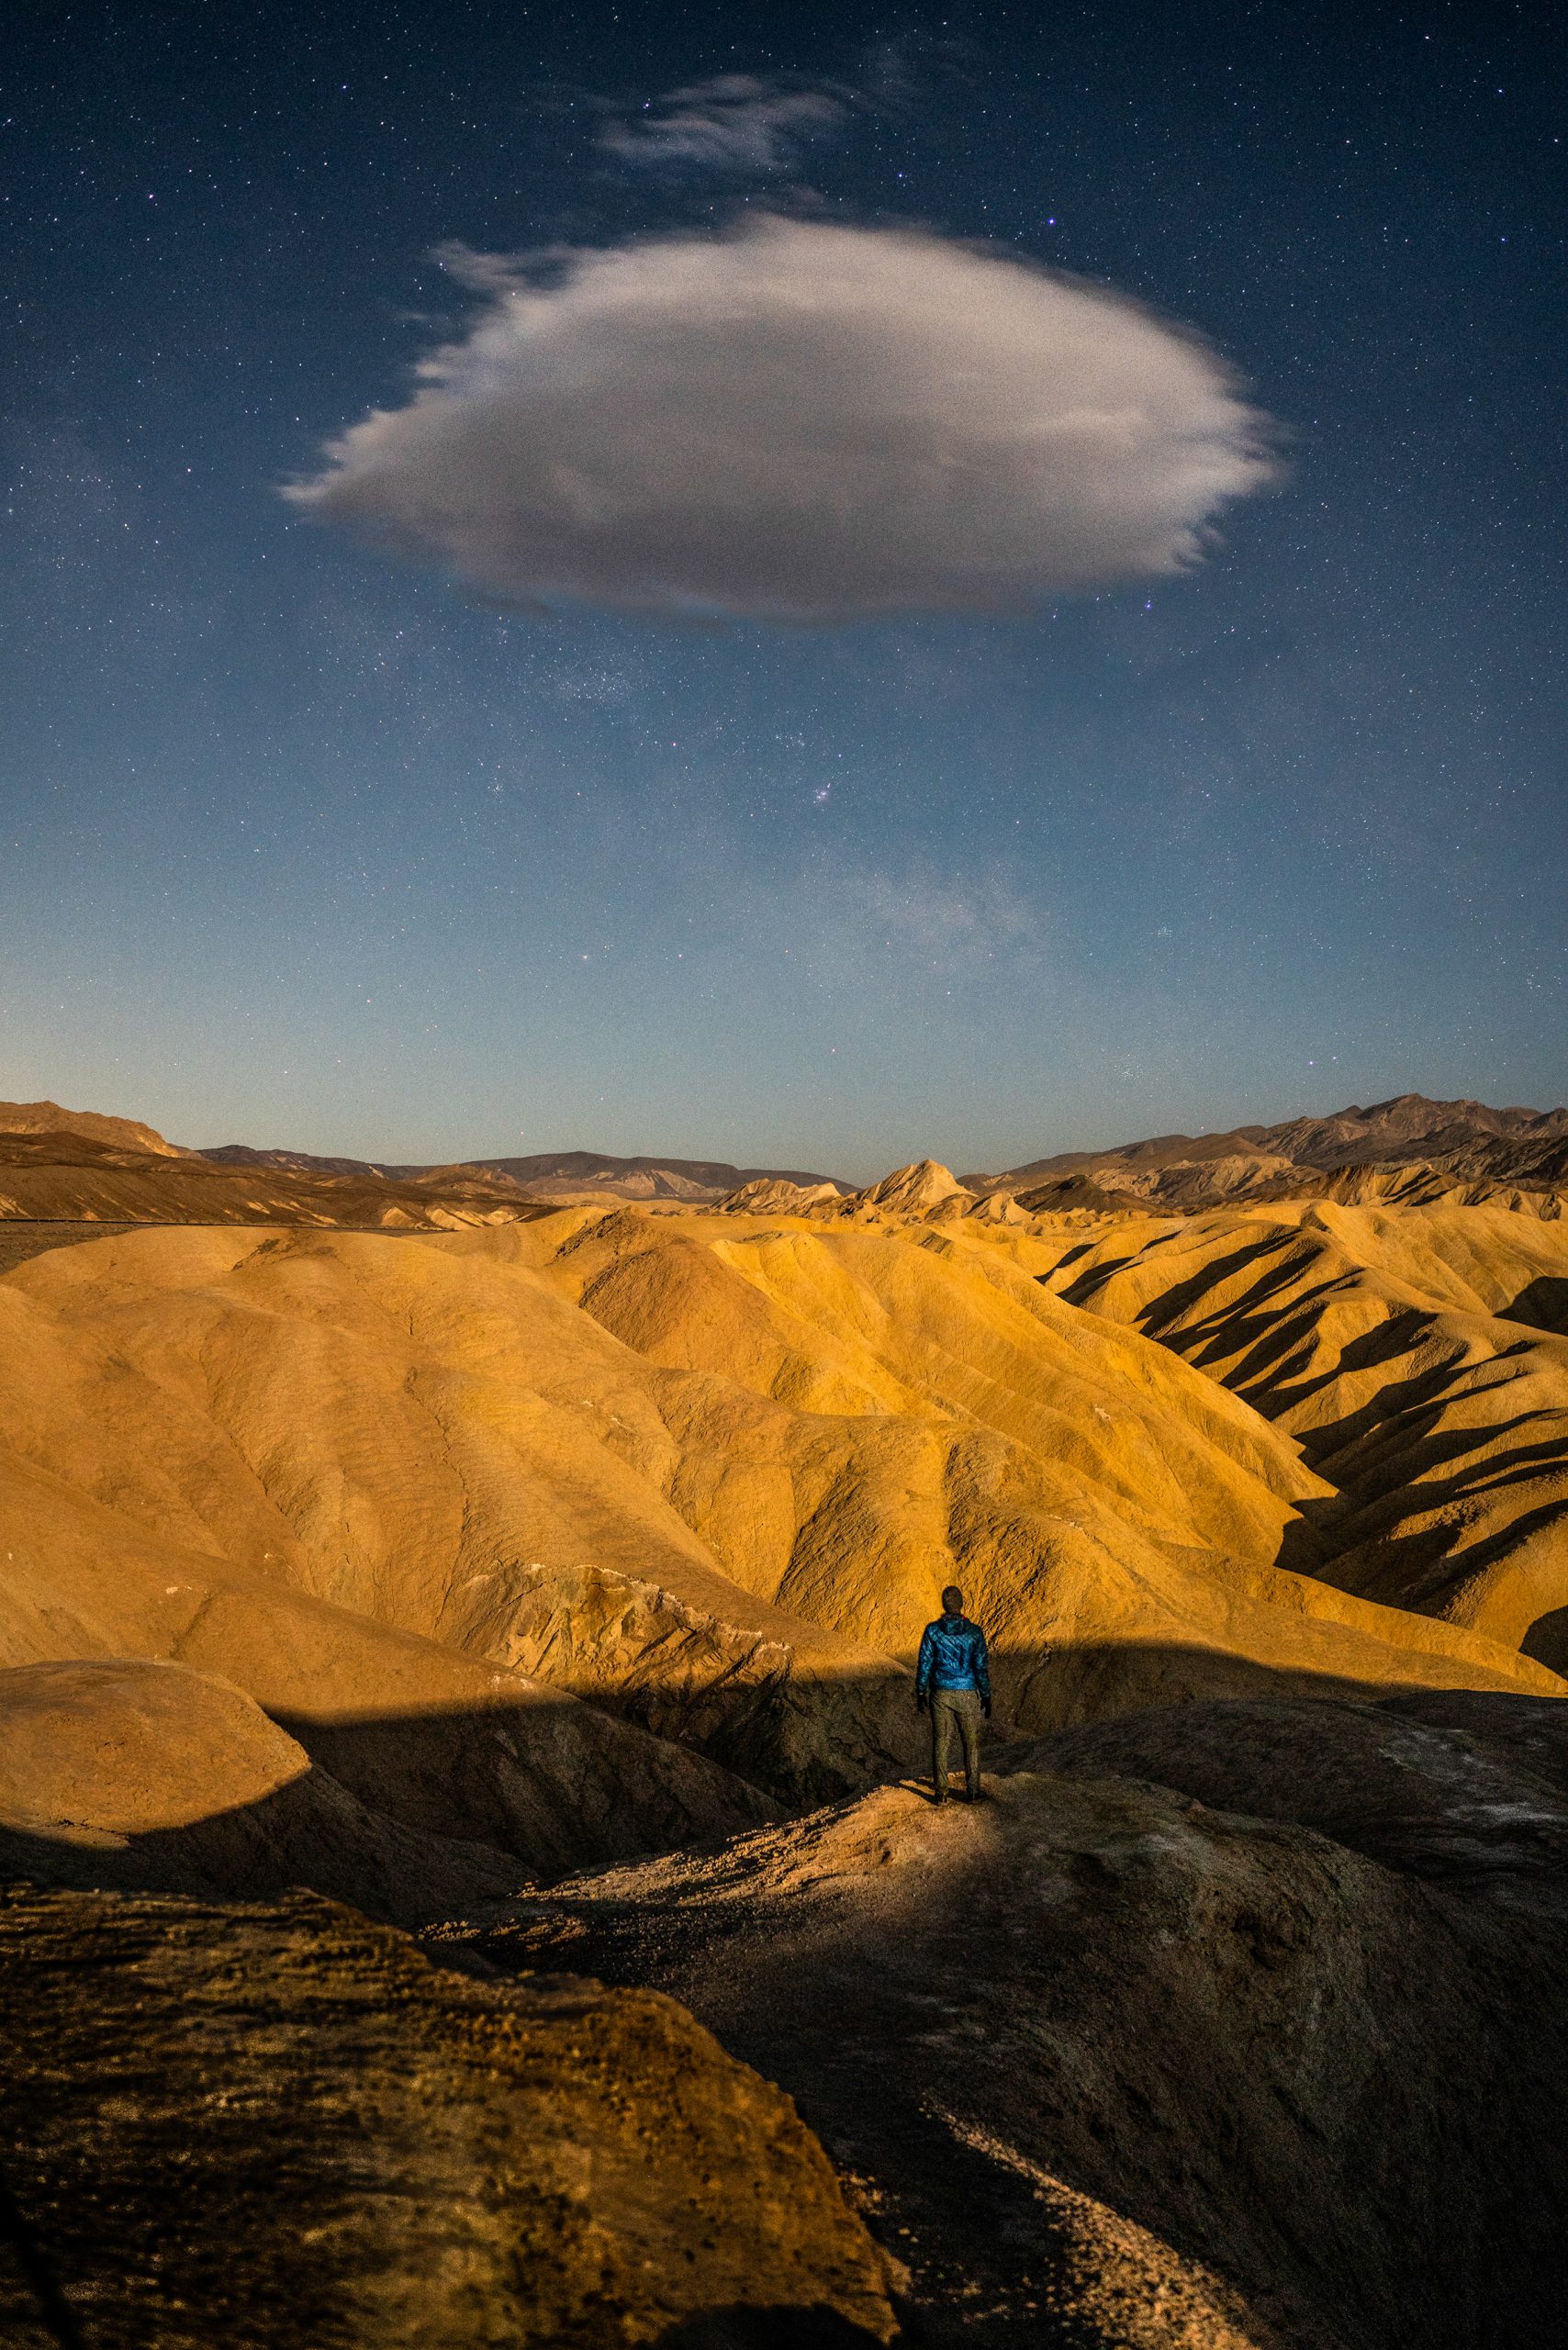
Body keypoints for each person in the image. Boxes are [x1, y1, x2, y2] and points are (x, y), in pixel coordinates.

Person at [915, 1584, 991, 1804]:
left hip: (940, 1693)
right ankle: (973, 1791)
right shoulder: (974, 1632)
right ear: (962, 1603)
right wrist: (986, 1695)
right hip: (967, 1693)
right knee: (971, 1745)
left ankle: (941, 1793)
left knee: (941, 1742)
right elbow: (980, 1667)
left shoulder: (933, 1631)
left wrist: (921, 1691)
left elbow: (925, 1663)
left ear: (944, 1605)